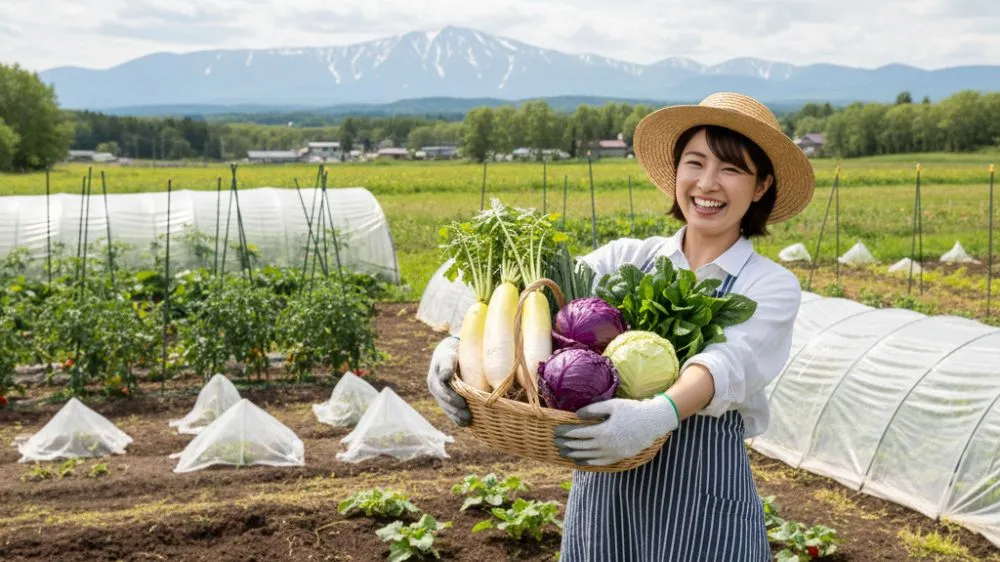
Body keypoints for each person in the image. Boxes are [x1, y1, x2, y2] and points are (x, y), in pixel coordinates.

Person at [427, 92, 815, 561]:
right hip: (604, 493)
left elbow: (728, 362)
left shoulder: (769, 284)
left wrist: (656, 414)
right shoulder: (626, 259)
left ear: (760, 186)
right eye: (695, 163)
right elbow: (536, 304)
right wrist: (455, 346)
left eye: (731, 169)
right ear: (676, 173)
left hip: (702, 500)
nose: (708, 184)